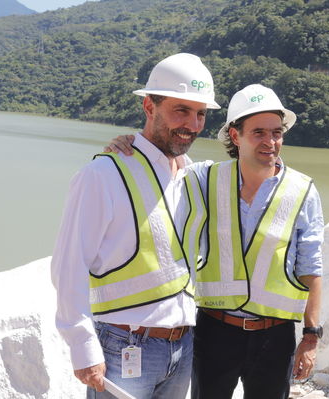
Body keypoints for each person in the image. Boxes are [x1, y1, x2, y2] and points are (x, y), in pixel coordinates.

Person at [107, 84, 324, 399]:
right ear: (235, 136)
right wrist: (129, 144)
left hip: (274, 337)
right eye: (259, 132)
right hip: (215, 331)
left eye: (276, 132)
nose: (271, 141)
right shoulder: (205, 179)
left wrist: (311, 337)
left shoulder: (303, 191)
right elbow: (164, 166)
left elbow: (311, 266)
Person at [51, 52, 220, 399]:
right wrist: (83, 347)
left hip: (183, 346)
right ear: (149, 107)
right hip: (123, 345)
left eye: (200, 113)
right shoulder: (102, 174)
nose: (193, 124)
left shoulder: (195, 176)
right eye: (181, 110)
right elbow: (69, 266)